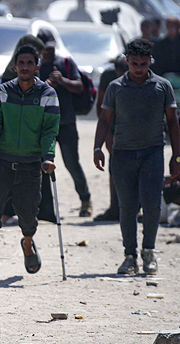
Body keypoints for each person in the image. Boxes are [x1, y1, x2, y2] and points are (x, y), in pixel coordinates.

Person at [94, 39, 180, 275]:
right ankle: (130, 256)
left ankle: (148, 252)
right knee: (127, 207)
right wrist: (97, 148)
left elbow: (172, 121)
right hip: (122, 155)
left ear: (150, 61)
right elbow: (104, 119)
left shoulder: (162, 86)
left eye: (143, 63)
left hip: (152, 153)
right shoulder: (115, 87)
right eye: (134, 63)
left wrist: (177, 157)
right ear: (127, 61)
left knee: (152, 206)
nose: (139, 68)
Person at [0, 45, 60, 275]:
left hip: (31, 163)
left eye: (29, 63)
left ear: (36, 66)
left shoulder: (47, 94)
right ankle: (2, 224)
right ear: (15, 66)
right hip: (4, 161)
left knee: (28, 212)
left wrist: (48, 157)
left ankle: (27, 243)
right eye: (21, 63)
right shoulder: (4, 91)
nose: (25, 67)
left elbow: (49, 130)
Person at [37, 29, 93, 217]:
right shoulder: (34, 67)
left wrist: (62, 81)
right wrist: (46, 86)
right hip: (44, 125)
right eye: (45, 49)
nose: (49, 52)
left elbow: (79, 86)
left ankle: (85, 200)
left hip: (66, 122)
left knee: (71, 163)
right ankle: (45, 208)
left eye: (51, 48)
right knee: (43, 165)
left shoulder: (65, 63)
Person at [94, 56, 128, 222]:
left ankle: (134, 209)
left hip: (136, 130)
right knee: (114, 168)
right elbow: (101, 107)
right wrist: (107, 136)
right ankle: (115, 208)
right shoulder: (108, 78)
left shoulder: (142, 75)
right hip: (114, 127)